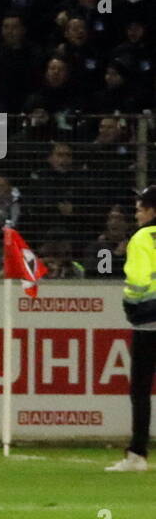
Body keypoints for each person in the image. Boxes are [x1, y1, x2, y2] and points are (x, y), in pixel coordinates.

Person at [106, 185, 156, 472]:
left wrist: (131, 308)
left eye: (139, 208)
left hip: (149, 322)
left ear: (151, 210)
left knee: (140, 389)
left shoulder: (141, 238)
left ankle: (137, 454)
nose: (136, 214)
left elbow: (136, 281)